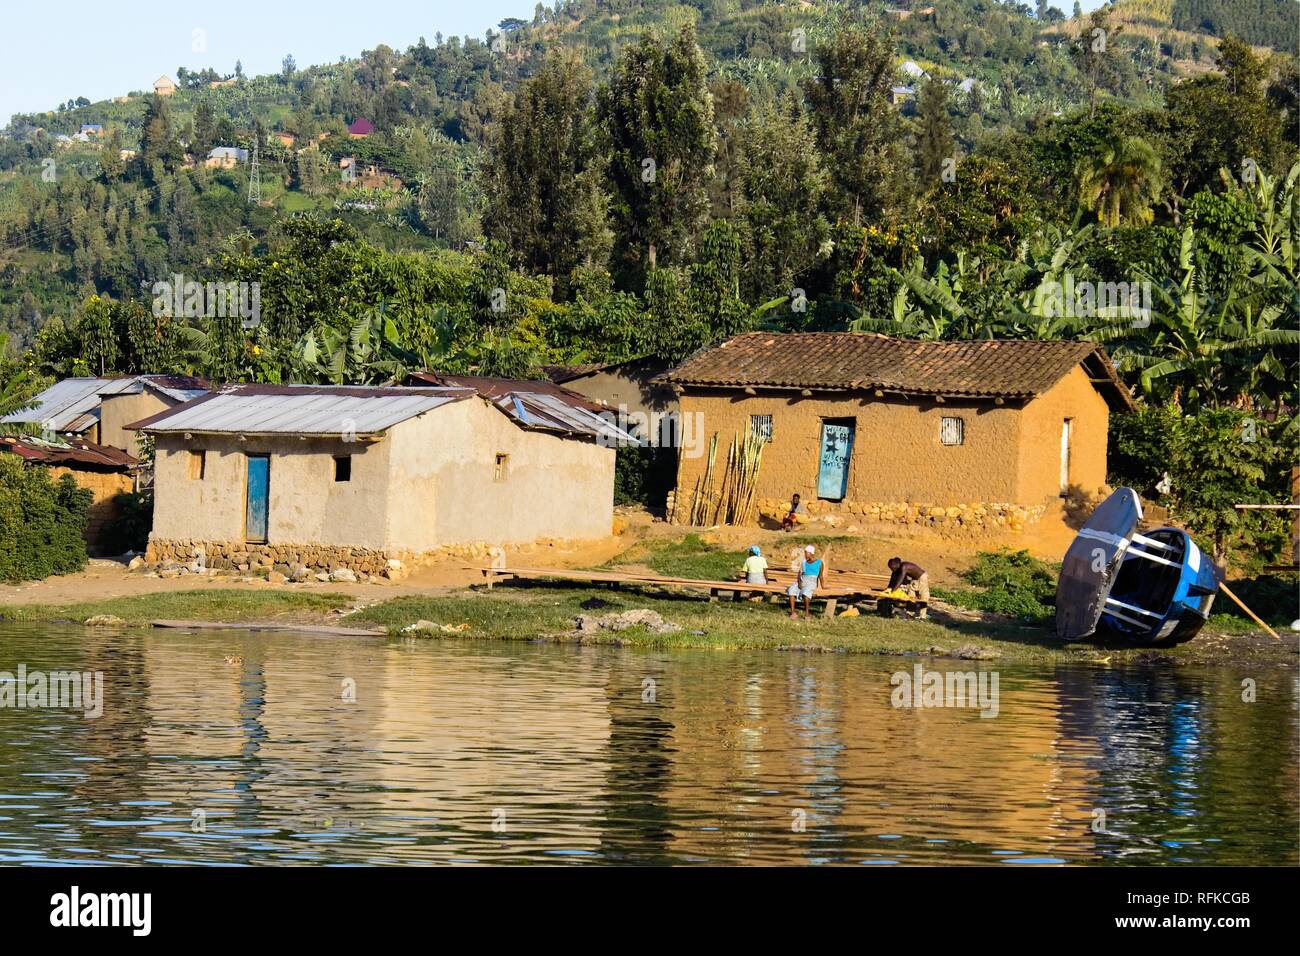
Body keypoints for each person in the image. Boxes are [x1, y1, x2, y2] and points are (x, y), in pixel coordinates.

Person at [787, 544, 825, 619]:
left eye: (806, 553)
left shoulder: (819, 563)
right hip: (802, 579)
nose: (805, 555)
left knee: (806, 593)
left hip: (812, 581)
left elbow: (820, 576)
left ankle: (807, 614)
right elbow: (799, 573)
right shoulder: (804, 562)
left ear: (811, 553)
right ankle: (793, 612)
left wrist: (823, 586)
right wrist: (799, 581)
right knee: (791, 590)